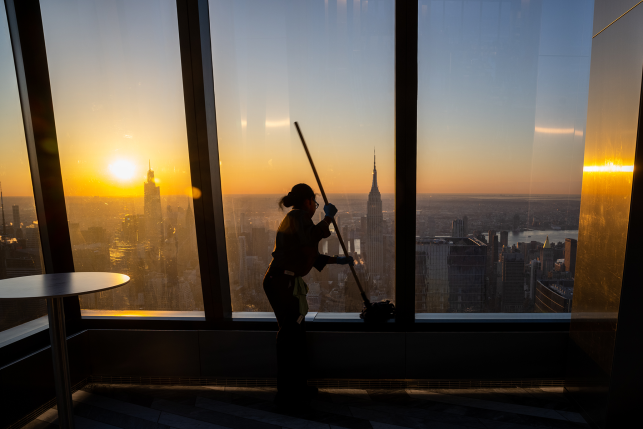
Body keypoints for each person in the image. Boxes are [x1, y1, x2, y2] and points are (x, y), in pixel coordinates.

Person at [264, 183, 354, 407]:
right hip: (282, 282)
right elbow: (310, 238)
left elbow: (307, 254)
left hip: (283, 281)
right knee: (289, 337)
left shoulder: (296, 220)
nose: (316, 206)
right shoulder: (297, 218)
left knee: (295, 334)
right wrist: (327, 219)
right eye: (315, 202)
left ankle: (297, 387)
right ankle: (286, 392)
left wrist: (336, 260)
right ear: (307, 202)